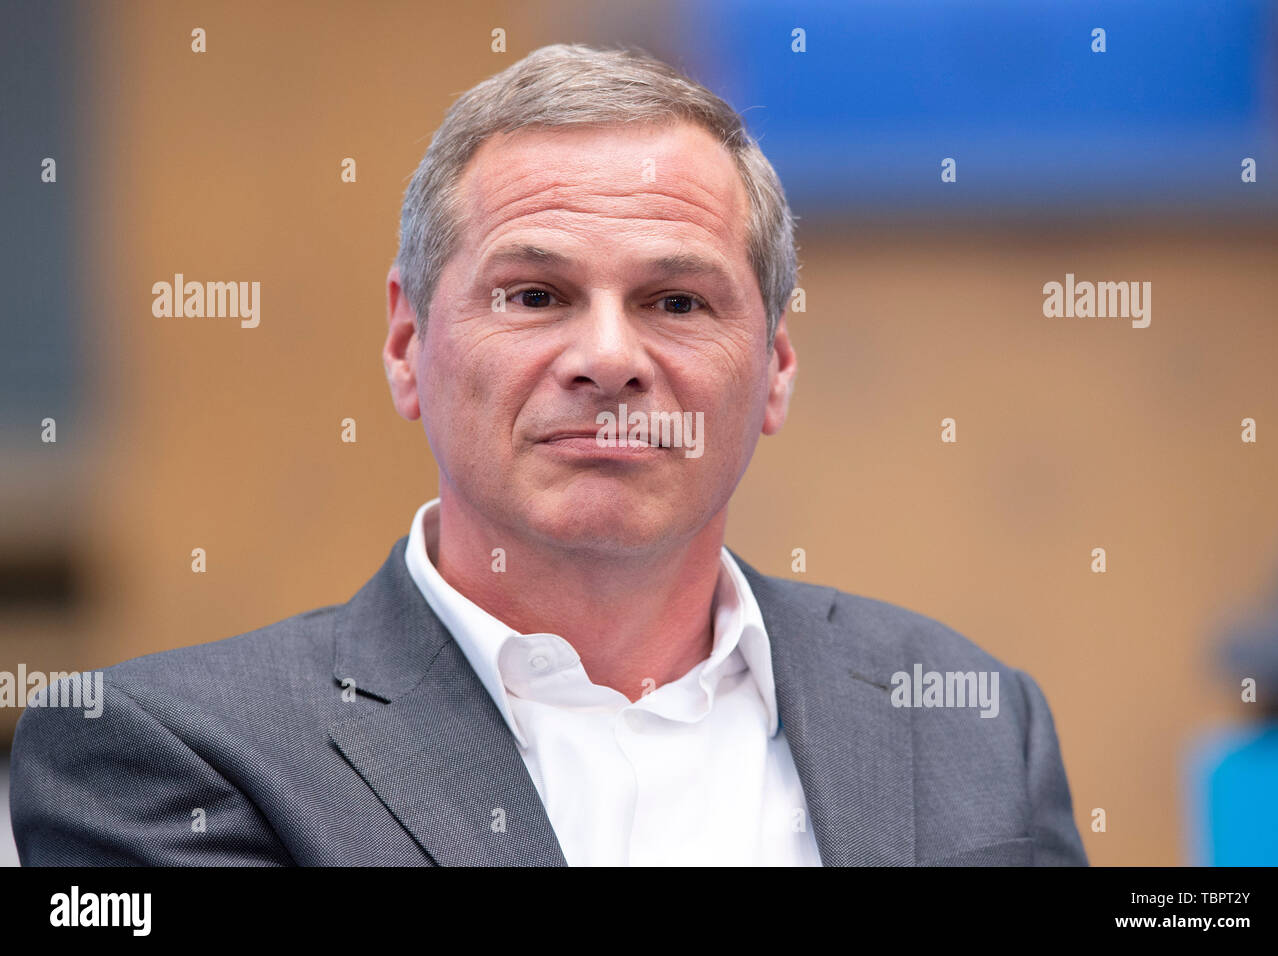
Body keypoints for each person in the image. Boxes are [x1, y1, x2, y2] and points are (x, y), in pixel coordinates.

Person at [10, 43, 1087, 866]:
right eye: (534, 295)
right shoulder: (159, 755)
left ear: (776, 367)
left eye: (676, 299)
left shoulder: (969, 722)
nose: (609, 357)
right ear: (405, 344)